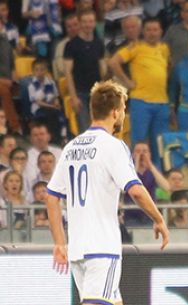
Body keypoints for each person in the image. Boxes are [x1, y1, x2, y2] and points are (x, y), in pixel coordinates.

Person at [46, 80, 169, 305]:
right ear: (114, 112)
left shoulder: (71, 147)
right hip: (102, 246)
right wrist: (159, 219)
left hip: (77, 249)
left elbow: (52, 196)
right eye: (123, 109)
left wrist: (59, 242)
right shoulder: (113, 146)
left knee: (111, 301)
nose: (124, 114)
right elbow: (136, 190)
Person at [109, 17, 170, 167]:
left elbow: (168, 67)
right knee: (139, 142)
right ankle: (134, 177)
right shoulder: (135, 47)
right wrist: (127, 82)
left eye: (155, 30)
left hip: (162, 102)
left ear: (161, 31)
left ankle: (157, 178)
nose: (152, 33)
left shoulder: (164, 49)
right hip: (141, 101)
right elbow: (113, 62)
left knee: (160, 142)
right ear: (143, 31)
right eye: (148, 30)